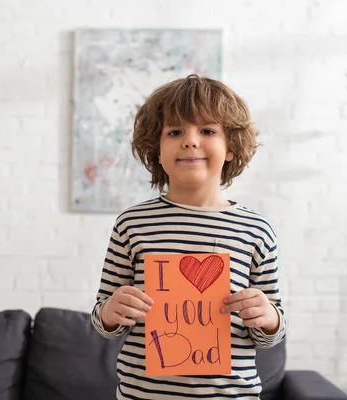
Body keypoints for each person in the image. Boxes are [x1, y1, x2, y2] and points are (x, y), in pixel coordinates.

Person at [91, 74, 286, 399]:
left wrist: (268, 317)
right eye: (175, 131)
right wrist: (111, 312)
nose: (190, 140)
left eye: (207, 130)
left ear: (231, 149)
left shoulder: (256, 231)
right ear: (157, 149)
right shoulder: (132, 224)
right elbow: (103, 319)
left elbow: (271, 331)